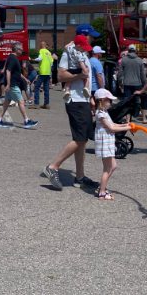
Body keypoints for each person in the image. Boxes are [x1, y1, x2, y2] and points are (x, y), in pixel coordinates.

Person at [42, 32, 100, 192]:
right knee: (80, 139)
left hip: (83, 100)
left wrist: (91, 99)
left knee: (82, 139)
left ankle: (80, 176)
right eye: (90, 36)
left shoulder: (83, 53)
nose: (92, 39)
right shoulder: (69, 53)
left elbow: (86, 79)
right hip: (75, 100)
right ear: (82, 37)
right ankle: (53, 167)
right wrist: (79, 75)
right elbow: (61, 75)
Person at [93, 88, 132, 200]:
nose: (111, 103)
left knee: (113, 166)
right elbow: (111, 128)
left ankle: (102, 187)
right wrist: (128, 127)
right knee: (107, 169)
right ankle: (102, 192)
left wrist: (126, 125)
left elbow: (113, 124)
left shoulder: (105, 112)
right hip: (104, 144)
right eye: (109, 100)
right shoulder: (100, 113)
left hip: (108, 143)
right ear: (101, 101)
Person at [0, 43, 38, 129]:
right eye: (21, 49)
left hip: (12, 85)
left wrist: (25, 79)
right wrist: (9, 84)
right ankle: (26, 121)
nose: (22, 51)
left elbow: (16, 72)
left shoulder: (11, 57)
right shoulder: (13, 58)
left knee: (6, 103)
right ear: (17, 50)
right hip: (13, 85)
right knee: (21, 101)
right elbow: (8, 71)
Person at [121, 45, 147, 123]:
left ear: (128, 50)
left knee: (127, 101)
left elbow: (120, 73)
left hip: (127, 83)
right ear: (135, 51)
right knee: (140, 100)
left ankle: (127, 119)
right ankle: (144, 118)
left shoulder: (124, 60)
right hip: (137, 83)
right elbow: (143, 75)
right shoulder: (139, 60)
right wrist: (145, 85)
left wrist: (120, 83)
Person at [61, 35, 92, 99]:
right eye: (83, 48)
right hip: (78, 69)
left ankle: (67, 91)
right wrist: (85, 70)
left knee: (68, 81)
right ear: (78, 46)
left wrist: (71, 43)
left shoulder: (70, 49)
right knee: (86, 79)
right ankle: (86, 88)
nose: (84, 49)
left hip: (70, 70)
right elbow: (81, 63)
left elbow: (65, 47)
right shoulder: (80, 54)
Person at [32, 40, 56, 109]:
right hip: (48, 73)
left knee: (36, 87)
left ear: (42, 45)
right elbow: (51, 63)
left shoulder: (41, 51)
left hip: (42, 72)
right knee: (46, 89)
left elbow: (40, 59)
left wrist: (33, 59)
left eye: (40, 44)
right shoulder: (49, 52)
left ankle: (36, 104)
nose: (39, 45)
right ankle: (46, 104)